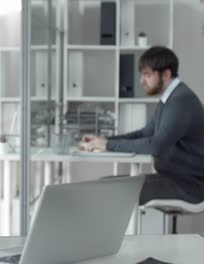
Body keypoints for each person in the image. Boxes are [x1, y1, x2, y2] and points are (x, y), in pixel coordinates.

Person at [80, 46, 204, 205]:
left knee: (106, 190)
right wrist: (104, 140)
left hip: (190, 186)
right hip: (174, 179)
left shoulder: (180, 100)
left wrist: (108, 145)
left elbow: (156, 145)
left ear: (166, 74)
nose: (141, 80)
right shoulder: (170, 98)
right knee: (104, 184)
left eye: (147, 75)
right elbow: (145, 133)